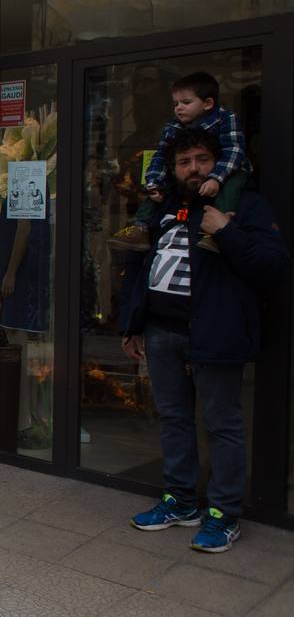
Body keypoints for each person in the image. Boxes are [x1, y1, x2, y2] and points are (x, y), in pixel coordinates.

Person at [119, 127, 287, 553]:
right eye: (184, 162)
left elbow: (274, 267)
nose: (194, 169)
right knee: (174, 419)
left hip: (214, 335)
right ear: (172, 169)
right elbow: (142, 268)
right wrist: (133, 324)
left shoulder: (244, 206)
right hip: (162, 334)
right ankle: (180, 501)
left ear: (219, 163)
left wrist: (227, 231)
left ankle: (224, 514)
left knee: (222, 426)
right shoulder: (164, 207)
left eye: (202, 160)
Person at [111, 71, 249, 253]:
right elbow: (161, 156)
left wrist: (216, 178)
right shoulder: (173, 126)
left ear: (208, 103)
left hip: (229, 169)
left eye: (186, 103)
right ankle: (141, 228)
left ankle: (217, 229)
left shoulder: (225, 119)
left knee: (233, 184)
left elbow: (234, 150)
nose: (178, 108)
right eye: (175, 103)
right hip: (191, 183)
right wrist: (154, 182)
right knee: (156, 191)